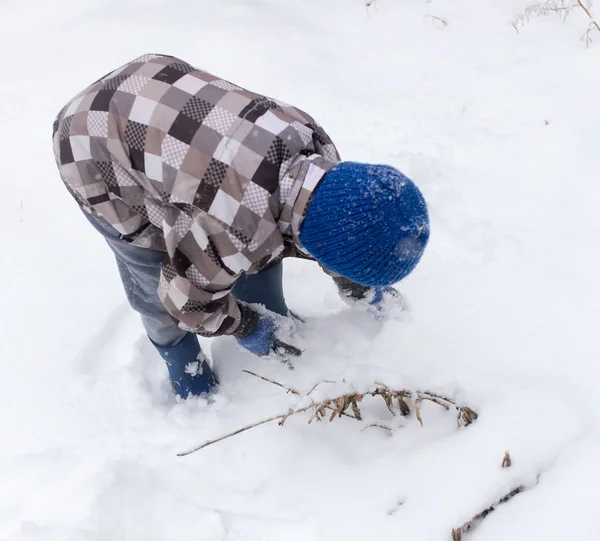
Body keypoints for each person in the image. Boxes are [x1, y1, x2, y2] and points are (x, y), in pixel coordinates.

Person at [52, 53, 430, 399]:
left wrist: (355, 282)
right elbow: (187, 301)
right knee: (153, 275)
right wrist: (247, 326)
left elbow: (320, 224)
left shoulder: (315, 148)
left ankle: (264, 301)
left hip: (152, 89)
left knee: (257, 237)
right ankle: (180, 358)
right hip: (91, 150)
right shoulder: (229, 224)